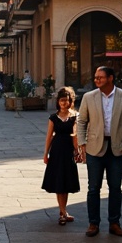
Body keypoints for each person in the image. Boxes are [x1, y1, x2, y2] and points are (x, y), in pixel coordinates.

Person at [76, 65, 122, 237]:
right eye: (95, 77)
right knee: (93, 188)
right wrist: (82, 143)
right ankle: (93, 223)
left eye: (100, 77)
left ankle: (114, 223)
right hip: (94, 149)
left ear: (111, 78)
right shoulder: (89, 97)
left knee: (115, 187)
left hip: (117, 148)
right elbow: (81, 121)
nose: (96, 80)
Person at [42, 86, 81, 225]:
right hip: (57, 151)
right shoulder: (53, 118)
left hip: (68, 151)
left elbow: (76, 136)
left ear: (71, 101)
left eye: (67, 100)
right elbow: (49, 137)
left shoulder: (75, 116)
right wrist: (46, 153)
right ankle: (63, 212)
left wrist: (78, 151)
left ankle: (63, 211)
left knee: (66, 182)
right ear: (58, 101)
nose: (64, 103)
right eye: (61, 100)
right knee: (59, 182)